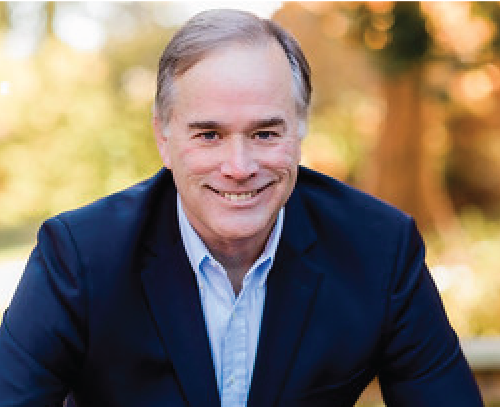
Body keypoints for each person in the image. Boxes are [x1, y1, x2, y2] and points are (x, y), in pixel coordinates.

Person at [0, 9, 483, 407]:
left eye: (265, 133)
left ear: (299, 130)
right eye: (209, 134)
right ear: (164, 138)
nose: (239, 166)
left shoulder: (380, 249)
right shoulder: (79, 257)